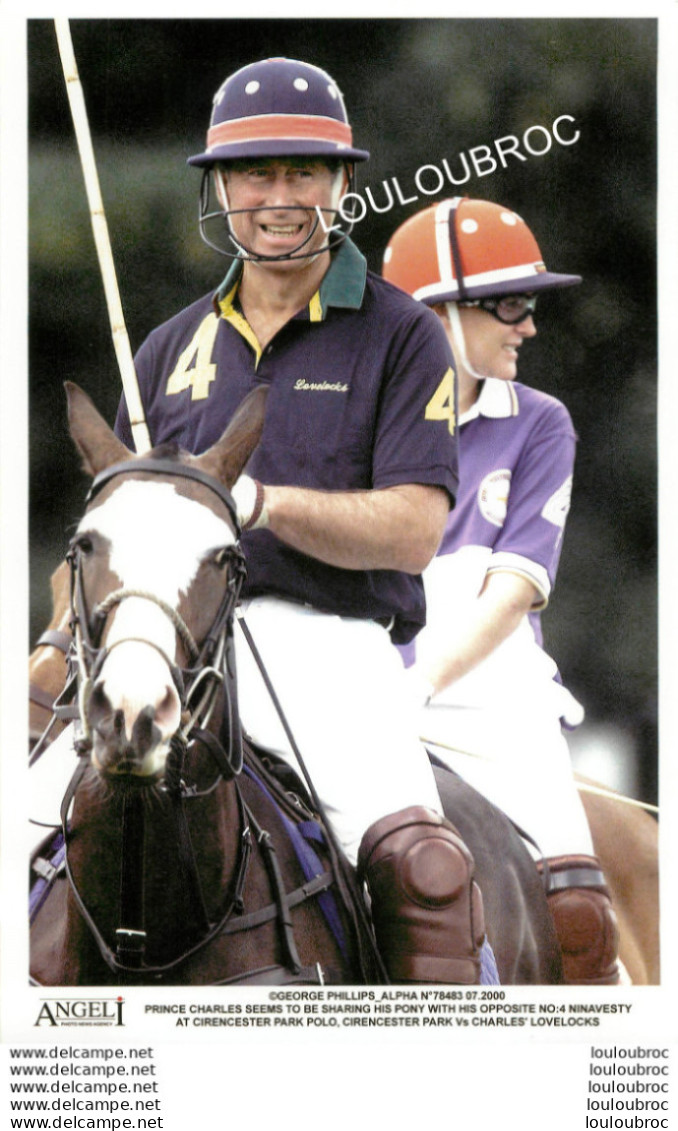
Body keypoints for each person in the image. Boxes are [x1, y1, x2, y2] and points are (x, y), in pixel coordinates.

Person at [107, 58, 488, 984]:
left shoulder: (401, 334)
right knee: (32, 828)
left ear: (343, 183)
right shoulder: (162, 348)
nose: (279, 195)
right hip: (172, 641)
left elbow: (412, 531)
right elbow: (112, 541)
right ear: (220, 188)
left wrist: (263, 504)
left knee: (423, 874)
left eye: (304, 171)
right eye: (255, 172)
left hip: (330, 645)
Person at [382, 197, 621, 986]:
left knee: (580, 912)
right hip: (362, 680)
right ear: (438, 314)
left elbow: (513, 589)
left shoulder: (540, 422)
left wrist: (422, 682)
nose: (529, 325)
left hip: (494, 698)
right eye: (511, 304)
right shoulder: (363, 421)